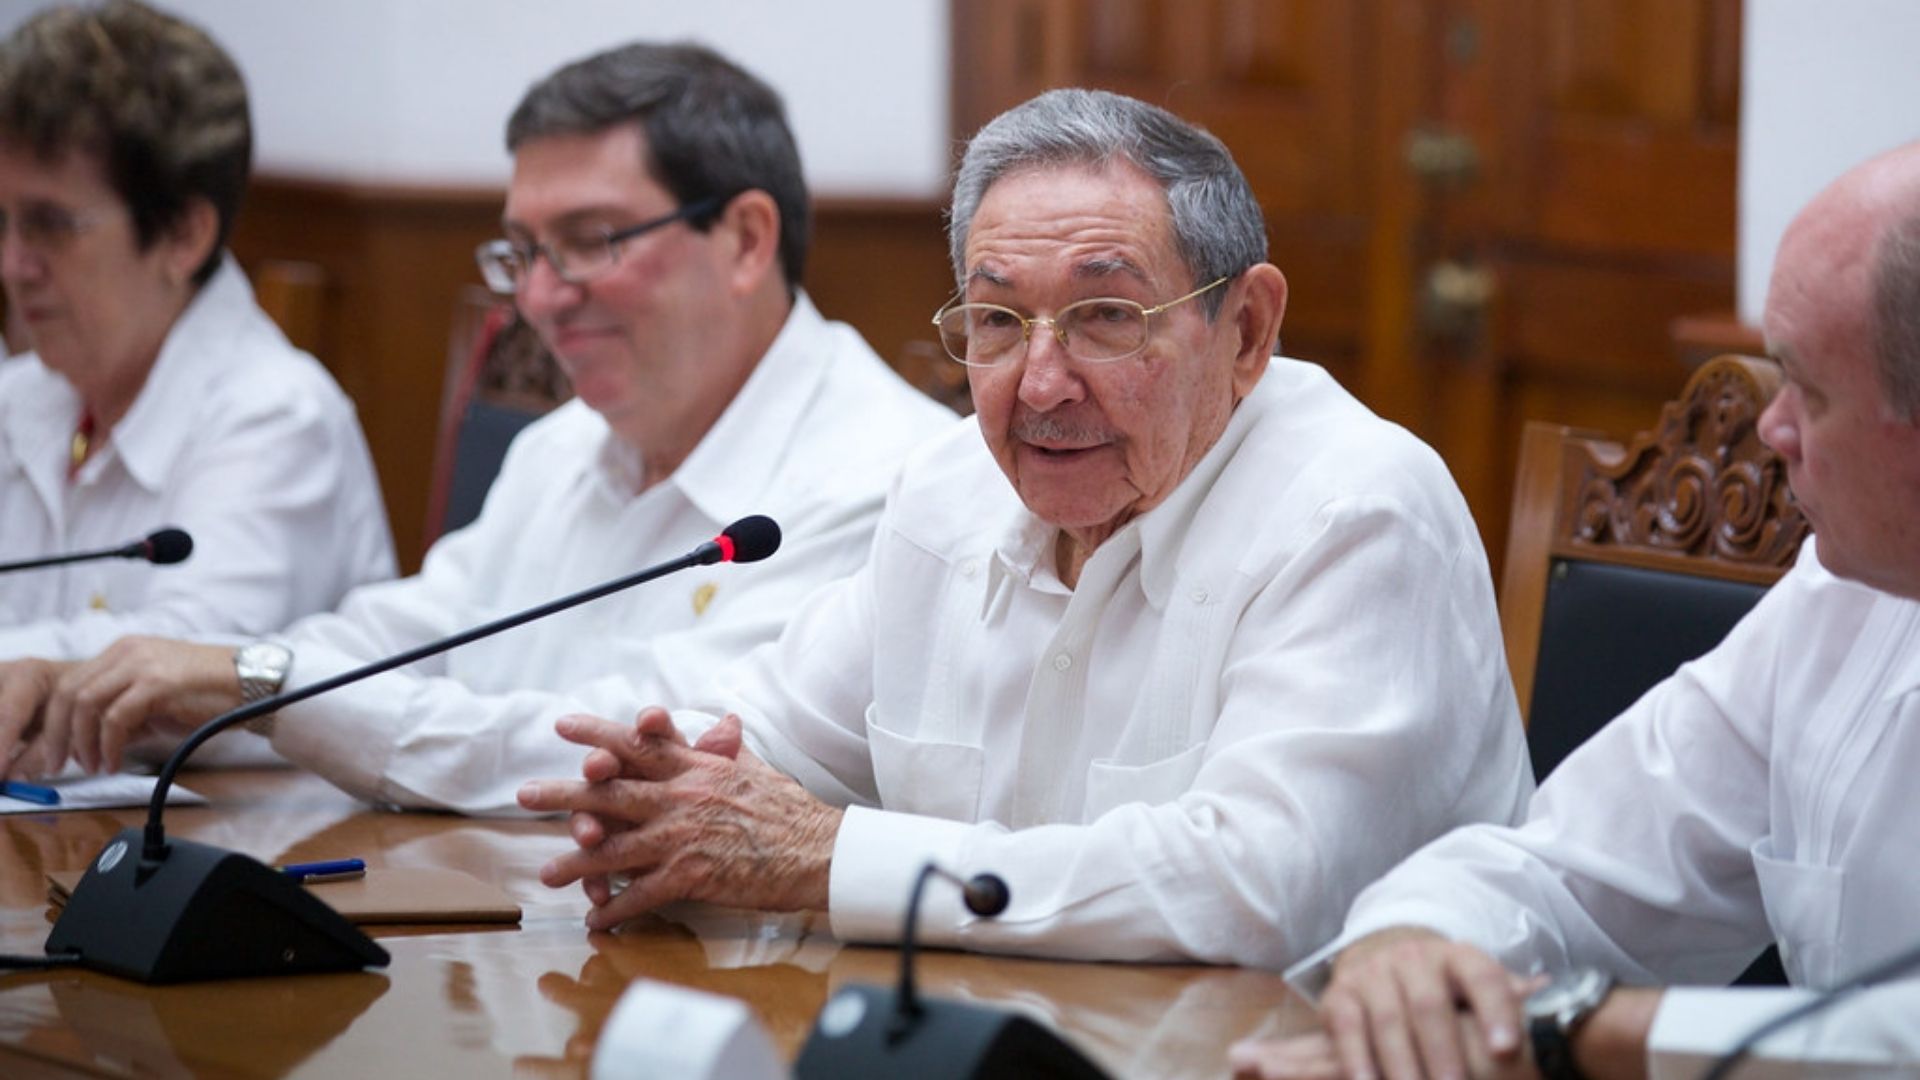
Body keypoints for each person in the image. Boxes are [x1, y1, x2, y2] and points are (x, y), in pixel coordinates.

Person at [516, 88, 1532, 965]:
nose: (1040, 384)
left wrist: (832, 858)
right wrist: (657, 794)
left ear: (1248, 330)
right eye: (998, 323)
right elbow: (766, 741)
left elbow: (1253, 890)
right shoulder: (946, 492)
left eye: (1105, 317)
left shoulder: (1356, 512)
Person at [0, 41, 953, 804]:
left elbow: (634, 748)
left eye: (588, 242)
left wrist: (262, 684)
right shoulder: (561, 448)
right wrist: (172, 679)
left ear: (745, 239)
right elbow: (404, 632)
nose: (539, 298)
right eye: (522, 251)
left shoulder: (882, 476)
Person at [1230, 141, 1920, 1080]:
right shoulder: (1838, 603)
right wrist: (1414, 946)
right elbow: (1565, 871)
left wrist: (1586, 1031)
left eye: (1812, 389)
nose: (1773, 428)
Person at [0, 2, 393, 665]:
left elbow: (177, 664)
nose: (12, 263)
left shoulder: (279, 422)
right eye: (2, 220)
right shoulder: (24, 391)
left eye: (50, 224)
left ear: (184, 235)